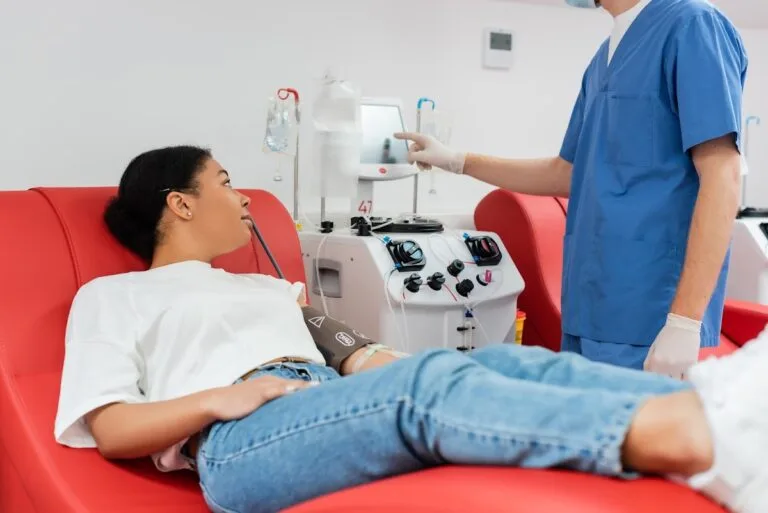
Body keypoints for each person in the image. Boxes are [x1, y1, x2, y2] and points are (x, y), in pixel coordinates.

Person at [54, 146, 766, 513]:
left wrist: (376, 359)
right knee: (429, 384)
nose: (242, 198)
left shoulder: (263, 285)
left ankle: (709, 405)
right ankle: (696, 440)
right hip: (241, 445)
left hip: (317, 403)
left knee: (502, 363)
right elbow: (112, 426)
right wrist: (218, 400)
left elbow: (348, 349)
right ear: (179, 203)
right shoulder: (114, 295)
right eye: (225, 180)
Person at [395, 0, 747, 377]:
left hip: (649, 315)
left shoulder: (692, 25)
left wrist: (684, 322)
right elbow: (568, 173)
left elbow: (723, 174)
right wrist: (459, 161)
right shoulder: (604, 58)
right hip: (589, 306)